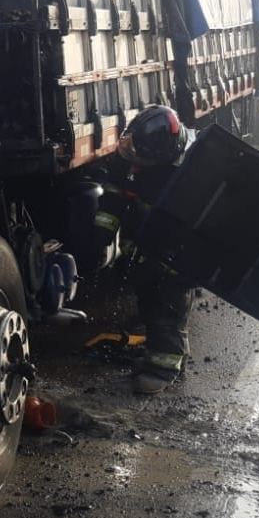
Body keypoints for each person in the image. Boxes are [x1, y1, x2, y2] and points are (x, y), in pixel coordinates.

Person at [92, 104, 195, 395]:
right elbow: (114, 194)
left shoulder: (191, 172)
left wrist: (167, 262)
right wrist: (101, 233)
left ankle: (163, 370)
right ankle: (158, 358)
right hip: (145, 249)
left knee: (167, 310)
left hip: (173, 259)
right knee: (149, 305)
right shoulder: (136, 155)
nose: (132, 160)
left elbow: (190, 229)